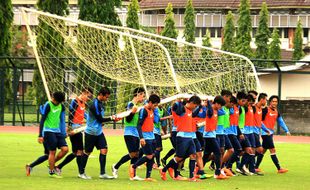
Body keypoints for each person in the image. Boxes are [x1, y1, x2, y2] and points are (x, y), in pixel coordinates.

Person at [79, 87, 120, 180]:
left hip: (99, 132)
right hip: (91, 132)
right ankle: (81, 173)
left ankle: (102, 173)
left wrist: (111, 119)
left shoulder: (101, 104)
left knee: (104, 149)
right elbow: (100, 119)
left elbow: (101, 120)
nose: (107, 99)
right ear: (101, 95)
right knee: (87, 152)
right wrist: (112, 118)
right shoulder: (94, 104)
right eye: (106, 97)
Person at [160, 95, 202, 182]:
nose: (195, 107)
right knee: (179, 158)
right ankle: (164, 170)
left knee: (193, 155)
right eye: (195, 105)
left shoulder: (190, 111)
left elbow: (195, 114)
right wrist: (179, 99)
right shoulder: (182, 109)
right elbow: (176, 108)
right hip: (182, 137)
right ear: (191, 103)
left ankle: (192, 177)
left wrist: (201, 105)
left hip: (190, 137)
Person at [54, 87, 93, 175]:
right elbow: (71, 114)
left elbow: (84, 115)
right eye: (88, 96)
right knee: (80, 151)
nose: (88, 98)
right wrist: (70, 127)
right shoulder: (75, 101)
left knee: (76, 152)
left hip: (78, 128)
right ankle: (81, 173)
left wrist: (93, 121)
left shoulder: (83, 103)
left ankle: (58, 167)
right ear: (83, 93)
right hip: (75, 129)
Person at [112, 87, 145, 180]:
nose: (143, 98)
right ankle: (116, 166)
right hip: (129, 132)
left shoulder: (139, 107)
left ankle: (133, 175)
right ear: (138, 94)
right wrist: (132, 113)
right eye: (142, 95)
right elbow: (128, 119)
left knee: (137, 154)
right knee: (133, 154)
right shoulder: (130, 104)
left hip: (136, 133)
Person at [129, 94, 161, 181]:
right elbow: (138, 125)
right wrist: (141, 137)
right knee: (149, 156)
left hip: (152, 136)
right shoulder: (144, 110)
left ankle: (148, 177)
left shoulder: (152, 110)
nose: (156, 107)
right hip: (145, 137)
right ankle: (134, 166)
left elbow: (155, 121)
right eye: (155, 105)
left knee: (152, 155)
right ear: (150, 102)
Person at [257, 95, 290, 173]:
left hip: (270, 133)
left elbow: (281, 121)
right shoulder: (265, 110)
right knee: (272, 149)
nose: (275, 103)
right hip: (265, 133)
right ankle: (279, 168)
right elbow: (259, 120)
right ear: (270, 102)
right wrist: (263, 129)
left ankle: (255, 166)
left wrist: (287, 130)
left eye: (276, 102)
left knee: (262, 150)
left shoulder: (276, 111)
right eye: (273, 101)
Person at [38, 91, 68, 178]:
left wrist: (63, 132)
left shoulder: (61, 107)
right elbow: (42, 120)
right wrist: (40, 135)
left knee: (65, 149)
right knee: (52, 152)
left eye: (53, 97)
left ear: (56, 99)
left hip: (58, 131)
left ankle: (51, 163)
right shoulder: (48, 105)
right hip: (48, 131)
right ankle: (51, 172)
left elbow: (62, 121)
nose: (52, 97)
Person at [202, 96, 228, 179]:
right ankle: (217, 173)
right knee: (218, 152)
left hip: (212, 134)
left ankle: (198, 170)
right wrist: (209, 103)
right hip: (209, 135)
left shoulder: (217, 110)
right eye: (220, 105)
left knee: (206, 154)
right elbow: (209, 111)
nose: (221, 107)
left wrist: (213, 103)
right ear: (216, 103)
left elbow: (223, 112)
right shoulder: (210, 110)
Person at [25, 105, 49, 176]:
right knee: (50, 154)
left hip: (51, 134)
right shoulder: (48, 108)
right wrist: (41, 135)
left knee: (49, 154)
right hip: (47, 134)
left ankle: (30, 166)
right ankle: (53, 169)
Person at [253, 93, 268, 173]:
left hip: (257, 132)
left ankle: (250, 166)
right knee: (260, 150)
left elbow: (260, 122)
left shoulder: (260, 109)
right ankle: (246, 165)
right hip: (252, 132)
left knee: (253, 151)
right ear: (262, 99)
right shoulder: (253, 108)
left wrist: (266, 129)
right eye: (266, 99)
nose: (266, 101)